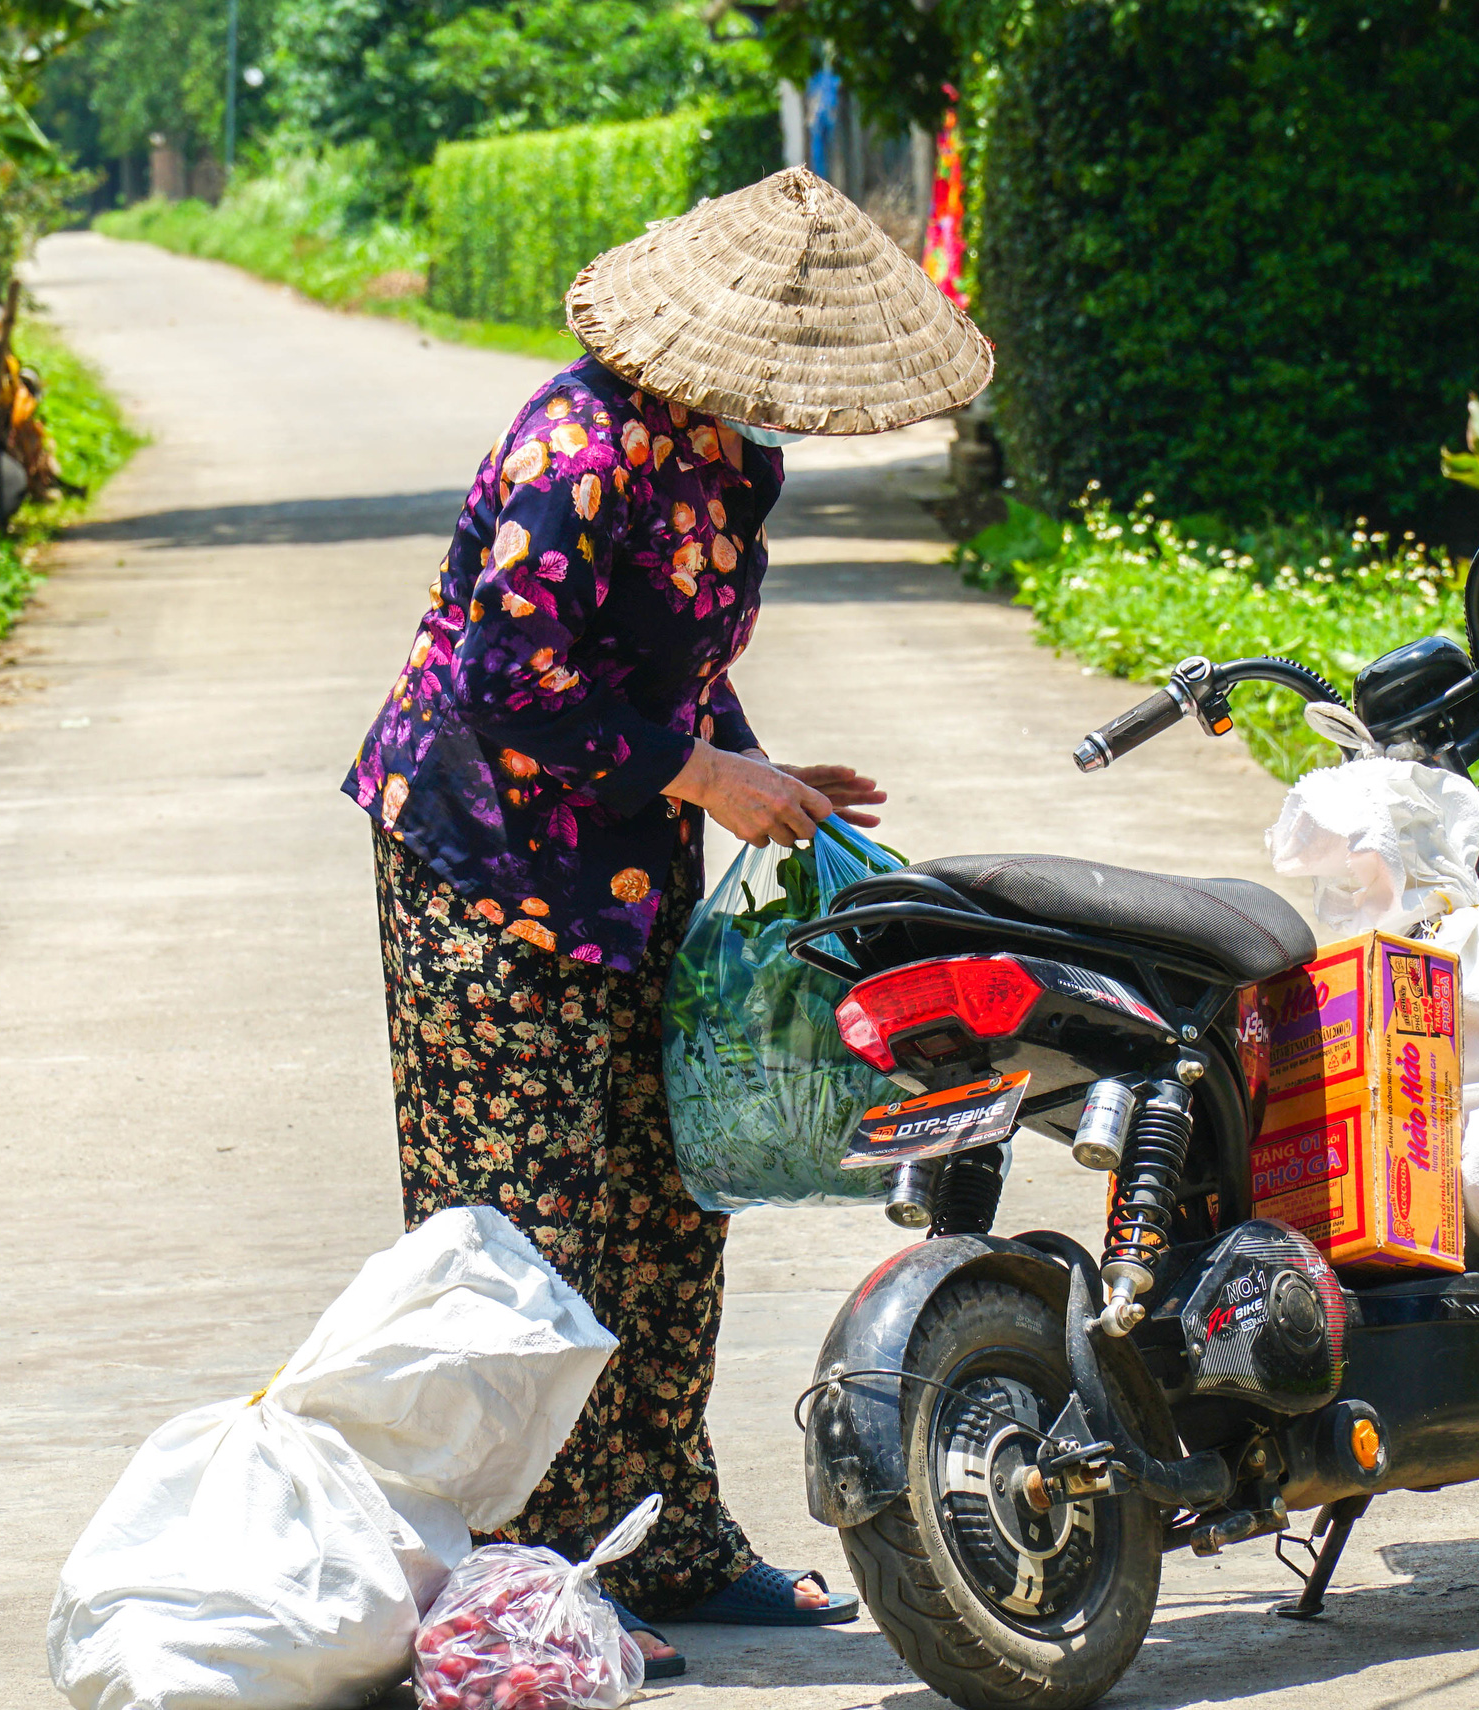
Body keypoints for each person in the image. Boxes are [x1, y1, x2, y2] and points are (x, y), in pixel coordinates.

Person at [347, 166, 992, 1677]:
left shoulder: (723, 459)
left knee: (663, 1204)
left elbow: (672, 659)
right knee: (534, 1228)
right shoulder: (572, 452)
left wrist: (753, 773)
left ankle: (672, 1535)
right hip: (489, 877)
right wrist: (707, 773)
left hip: (628, 871)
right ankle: (536, 1577)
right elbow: (515, 685)